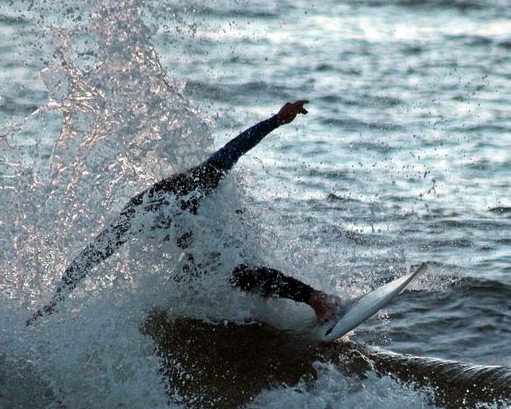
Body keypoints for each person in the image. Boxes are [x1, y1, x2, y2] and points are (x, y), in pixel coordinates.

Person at [27, 100, 340, 325]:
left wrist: (276, 120)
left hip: (224, 224)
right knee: (183, 289)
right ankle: (264, 307)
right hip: (201, 243)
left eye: (174, 220)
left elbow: (234, 149)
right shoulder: (137, 215)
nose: (171, 226)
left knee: (234, 271)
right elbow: (90, 256)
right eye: (166, 223)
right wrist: (56, 301)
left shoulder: (197, 183)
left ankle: (315, 298)